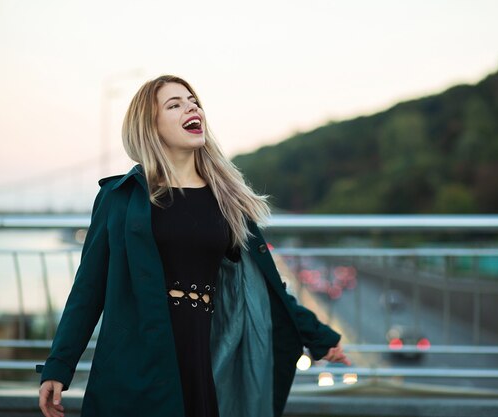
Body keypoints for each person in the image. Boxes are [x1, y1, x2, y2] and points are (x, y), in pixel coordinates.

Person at [36, 74, 350, 417]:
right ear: (150, 126)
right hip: (135, 356)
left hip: (201, 355)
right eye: (175, 104)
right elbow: (89, 288)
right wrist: (58, 365)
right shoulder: (120, 198)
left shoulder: (226, 199)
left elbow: (265, 286)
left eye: (193, 101)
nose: (191, 107)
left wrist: (318, 335)